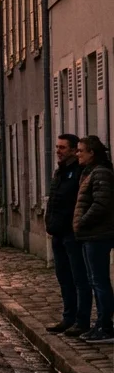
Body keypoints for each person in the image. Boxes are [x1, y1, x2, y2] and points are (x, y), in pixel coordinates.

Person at [46, 134, 91, 336]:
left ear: (73, 150)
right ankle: (68, 317)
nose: (58, 151)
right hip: (57, 232)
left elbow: (81, 202)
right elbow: (53, 200)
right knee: (64, 278)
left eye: (63, 147)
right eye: (57, 147)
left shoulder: (80, 172)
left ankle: (82, 321)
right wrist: (49, 222)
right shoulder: (60, 172)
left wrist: (76, 226)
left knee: (79, 279)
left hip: (72, 234)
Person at [73, 135, 114, 343]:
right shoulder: (90, 172)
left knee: (99, 281)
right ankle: (100, 324)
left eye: (81, 150)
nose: (77, 154)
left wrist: (82, 222)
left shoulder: (100, 173)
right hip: (90, 235)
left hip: (98, 234)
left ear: (92, 152)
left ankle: (105, 326)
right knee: (94, 280)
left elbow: (101, 204)